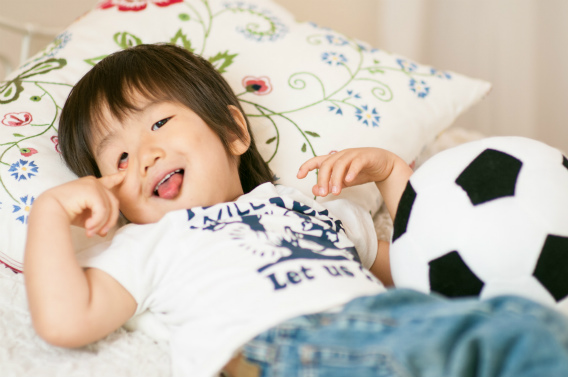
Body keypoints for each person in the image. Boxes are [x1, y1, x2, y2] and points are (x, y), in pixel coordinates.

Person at [24, 44, 568, 377]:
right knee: (517, 342)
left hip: (393, 326)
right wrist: (49, 213)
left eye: (159, 124)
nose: (145, 155)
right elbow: (66, 321)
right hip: (285, 349)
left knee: (524, 325)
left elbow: (418, 259)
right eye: (118, 157)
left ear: (234, 132)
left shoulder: (301, 205)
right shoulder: (147, 244)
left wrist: (390, 174)